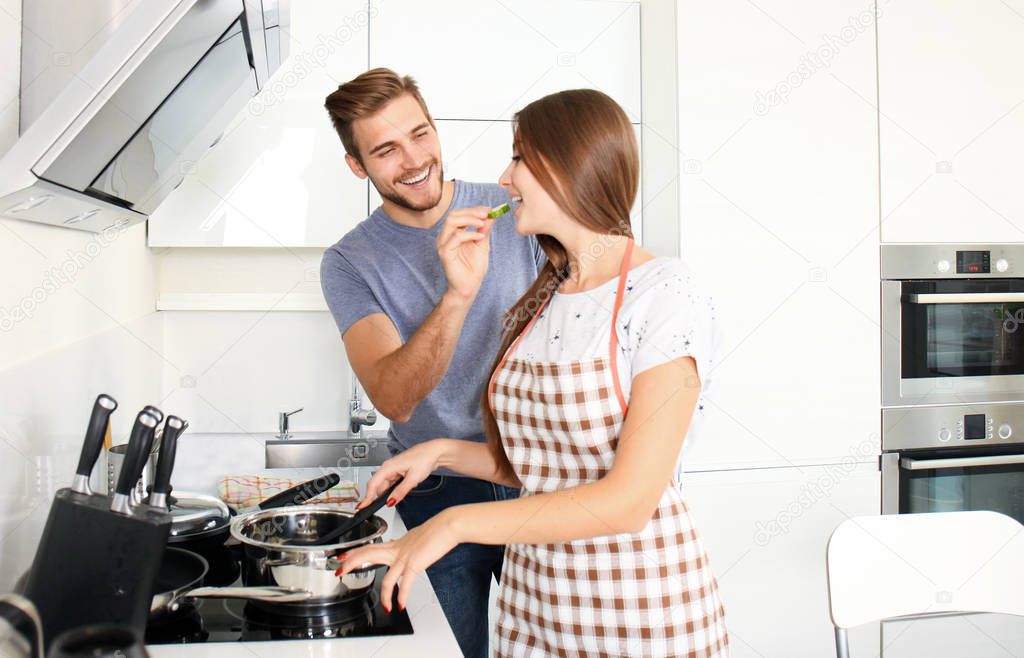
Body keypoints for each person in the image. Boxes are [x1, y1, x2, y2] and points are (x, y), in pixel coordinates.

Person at [337, 88, 730, 657]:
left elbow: (628, 500)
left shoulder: (665, 294)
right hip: (540, 610)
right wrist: (439, 452)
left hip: (638, 612)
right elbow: (545, 465)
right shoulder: (548, 293)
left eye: (519, 158)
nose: (504, 176)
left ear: (568, 167)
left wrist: (450, 526)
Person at [319, 68, 544, 658]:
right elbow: (394, 398)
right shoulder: (349, 262)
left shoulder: (513, 209)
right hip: (431, 491)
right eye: (385, 150)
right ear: (356, 166)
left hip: (533, 478)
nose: (414, 160)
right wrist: (457, 294)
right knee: (452, 650)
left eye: (420, 134)